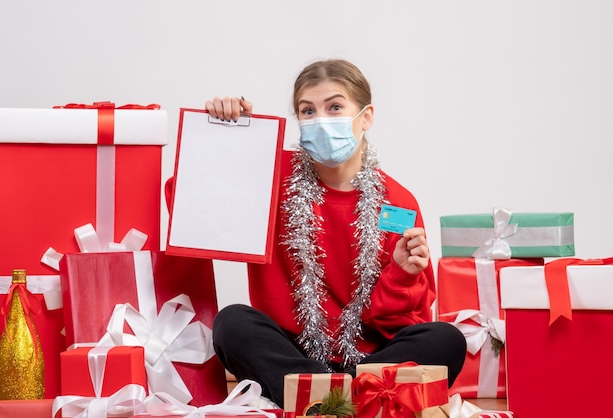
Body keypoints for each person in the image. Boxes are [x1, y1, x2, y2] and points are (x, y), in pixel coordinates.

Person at [168, 59, 466, 408]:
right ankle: (352, 399)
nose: (320, 120)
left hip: (370, 357)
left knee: (446, 339)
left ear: (366, 117)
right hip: (292, 352)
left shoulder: (397, 203)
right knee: (232, 323)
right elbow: (193, 209)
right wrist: (231, 135)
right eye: (307, 111)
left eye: (335, 107)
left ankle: (322, 400)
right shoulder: (270, 176)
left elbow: (403, 322)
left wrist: (401, 273)